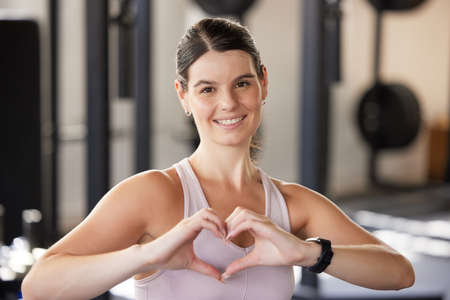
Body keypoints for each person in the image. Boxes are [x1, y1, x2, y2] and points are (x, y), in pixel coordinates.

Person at [22, 17, 414, 300]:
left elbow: (399, 272)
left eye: (242, 83)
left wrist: (308, 253)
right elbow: (38, 286)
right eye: (207, 89)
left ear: (263, 83)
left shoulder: (293, 205)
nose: (228, 103)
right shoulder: (154, 194)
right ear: (183, 95)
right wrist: (145, 254)